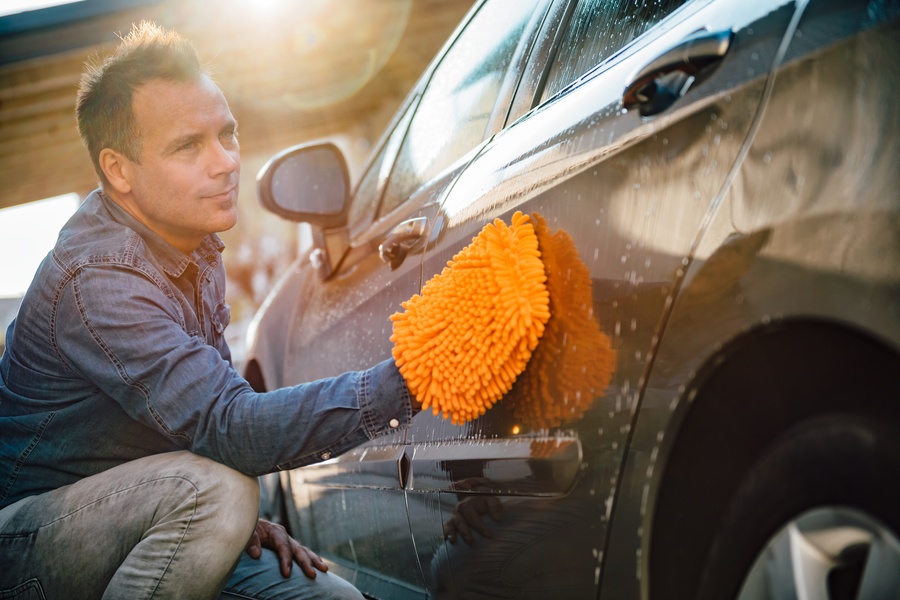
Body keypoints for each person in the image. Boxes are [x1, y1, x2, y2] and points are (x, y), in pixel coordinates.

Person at [0, 21, 417, 599]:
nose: (225, 162)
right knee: (217, 494)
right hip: (30, 546)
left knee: (334, 596)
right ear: (119, 170)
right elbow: (229, 427)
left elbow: (212, 410)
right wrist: (413, 380)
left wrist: (240, 527)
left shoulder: (192, 240)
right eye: (188, 146)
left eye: (227, 134)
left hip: (156, 518)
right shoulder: (99, 281)